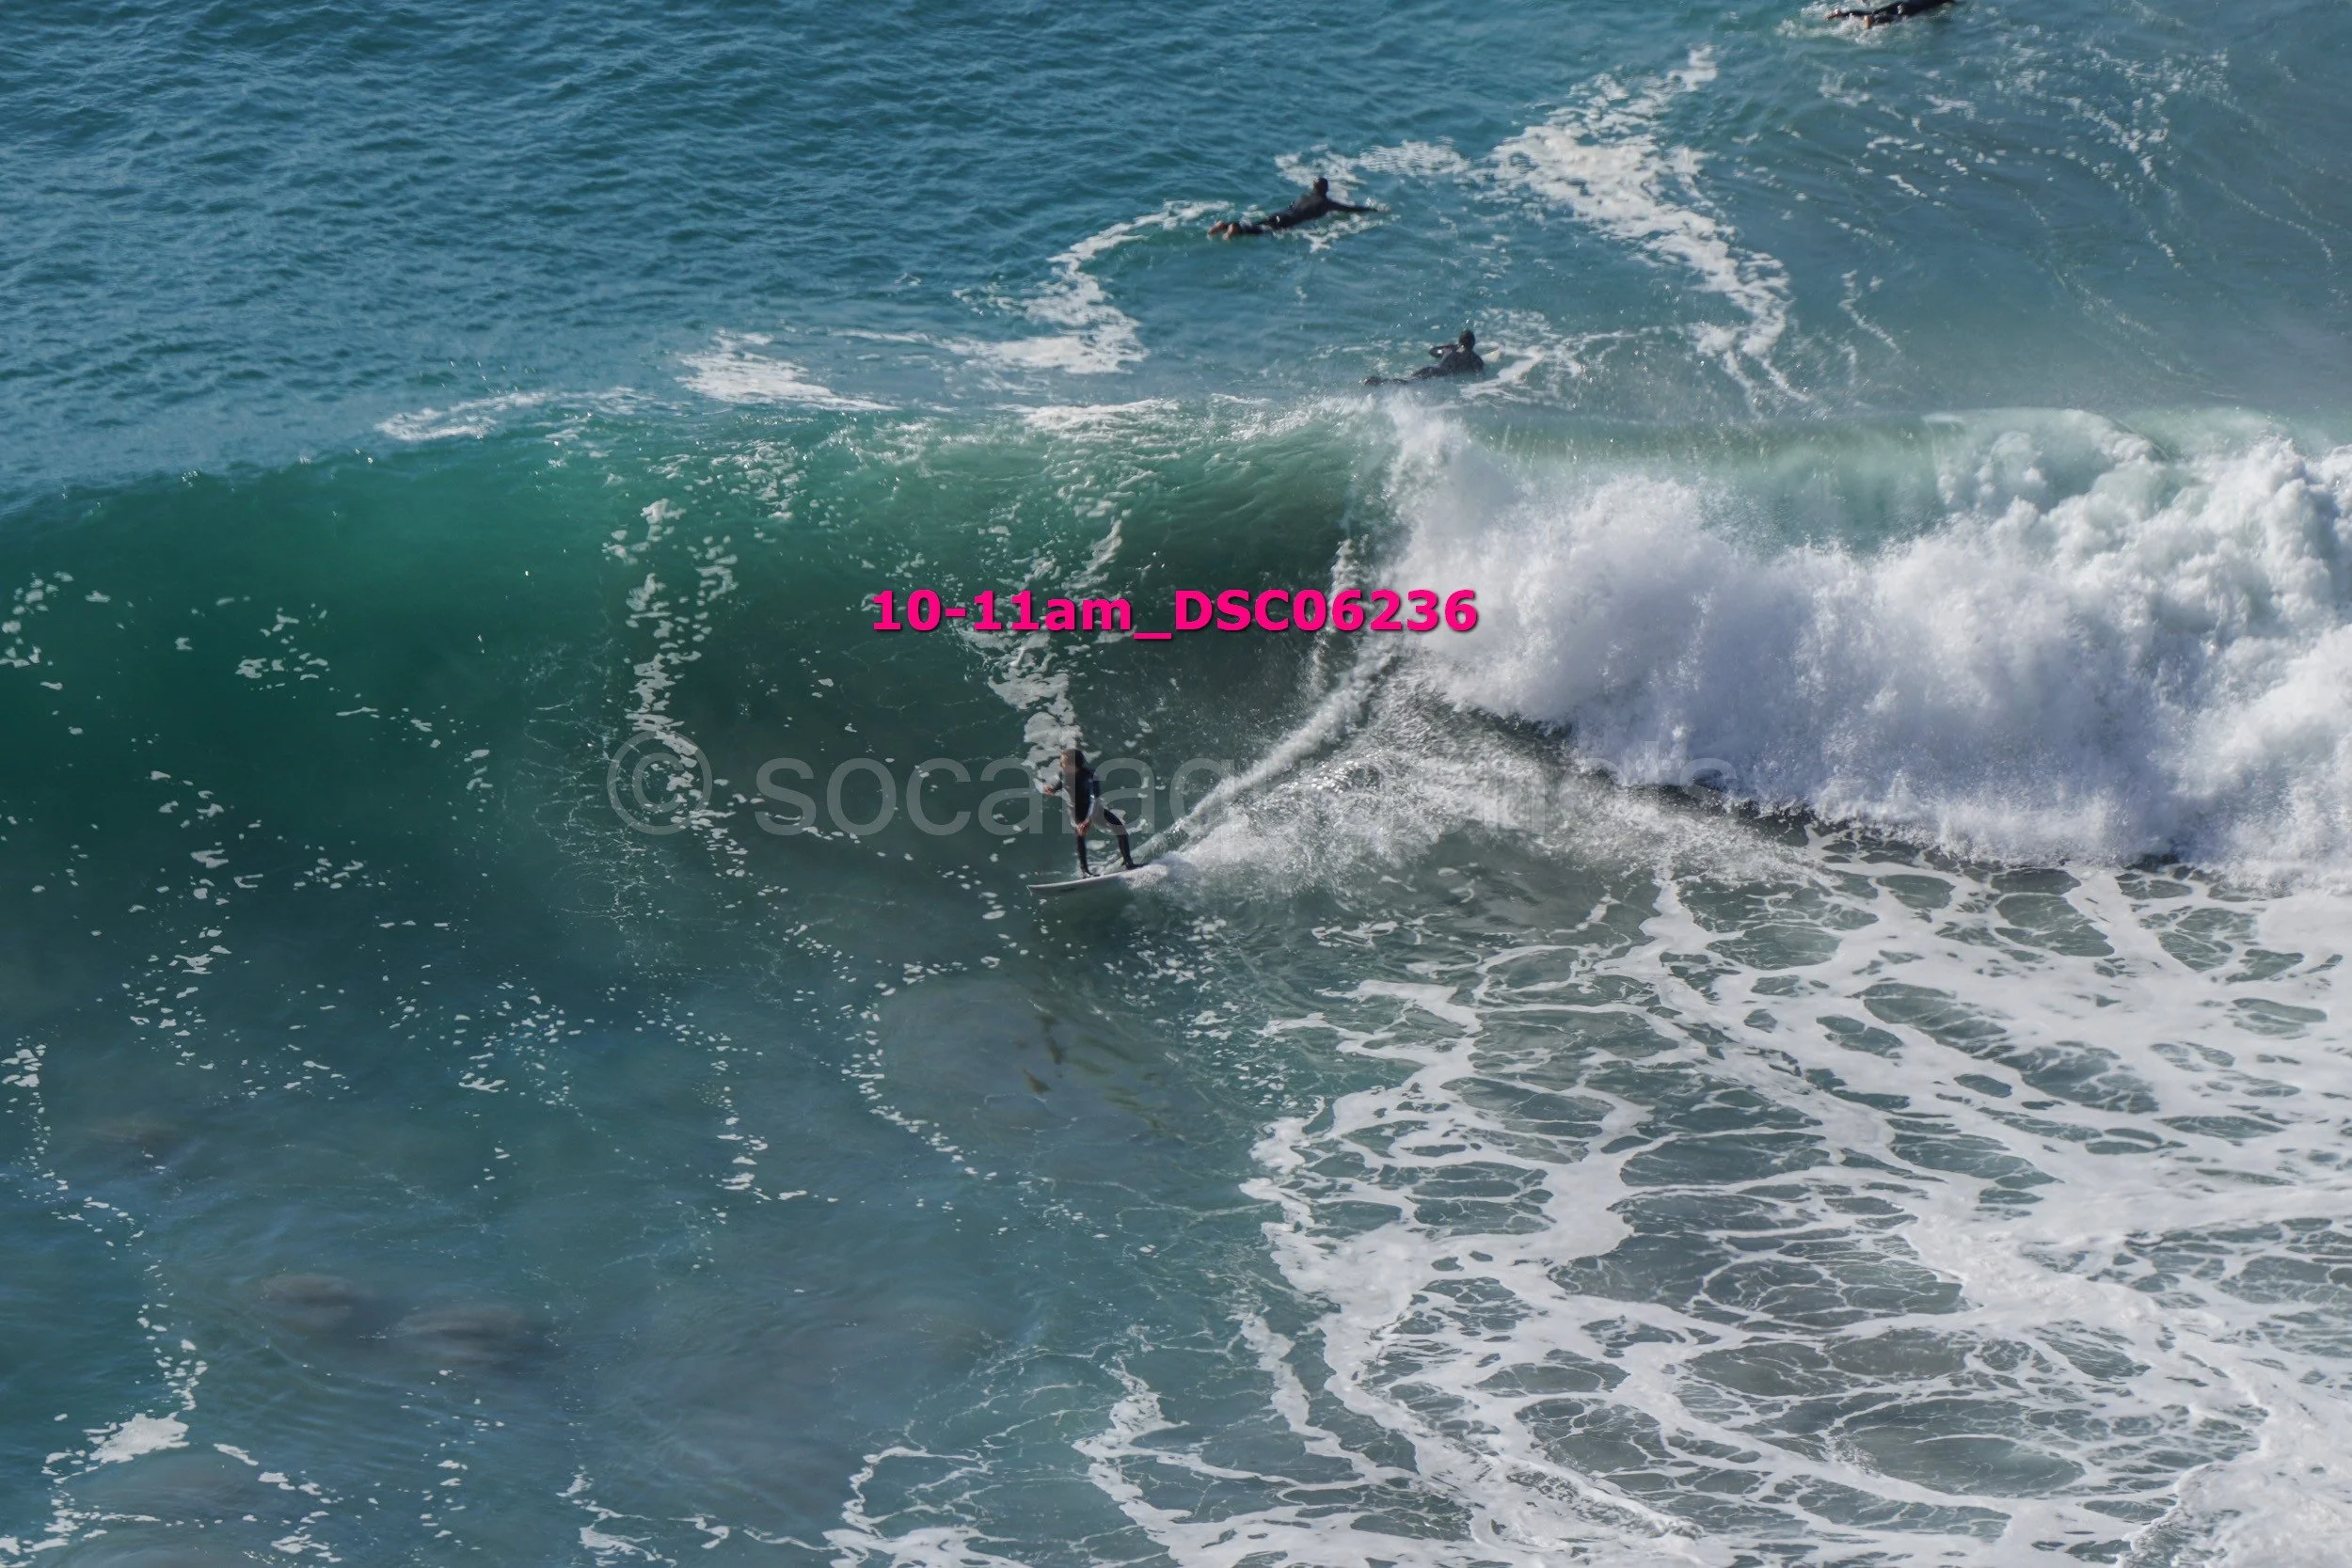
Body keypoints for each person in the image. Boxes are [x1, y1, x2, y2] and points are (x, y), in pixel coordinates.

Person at [1039, 747, 1136, 876]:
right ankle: (1085, 871)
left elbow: (1094, 799)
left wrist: (1088, 820)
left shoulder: (1090, 776)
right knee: (1080, 835)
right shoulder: (1064, 774)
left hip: (1093, 808)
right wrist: (1052, 789)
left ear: (1073, 765)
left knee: (1119, 828)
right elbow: (1060, 784)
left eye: (1063, 762)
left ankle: (1128, 862)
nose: (1060, 764)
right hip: (1076, 810)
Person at [1208, 177, 1377, 239]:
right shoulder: (1326, 203)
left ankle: (1225, 225)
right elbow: (1350, 209)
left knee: (1259, 223)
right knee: (1260, 232)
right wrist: (1373, 210)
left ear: (1313, 188)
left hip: (1280, 213)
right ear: (1326, 190)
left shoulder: (1304, 196)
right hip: (1288, 220)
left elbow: (1292, 206)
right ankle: (1235, 228)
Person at [1366, 330, 1486, 386]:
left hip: (1431, 368)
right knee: (1409, 383)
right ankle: (1383, 382)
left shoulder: (1450, 348)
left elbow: (1432, 351)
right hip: (1441, 375)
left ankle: (1381, 381)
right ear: (1473, 343)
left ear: (1459, 341)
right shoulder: (1474, 358)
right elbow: (1479, 374)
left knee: (1409, 380)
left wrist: (1444, 347)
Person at [1830, 0, 1959, 26]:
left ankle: (1841, 14)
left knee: (1874, 11)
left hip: (1901, 3)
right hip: (1909, 8)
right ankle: (1872, 21)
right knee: (1896, 19)